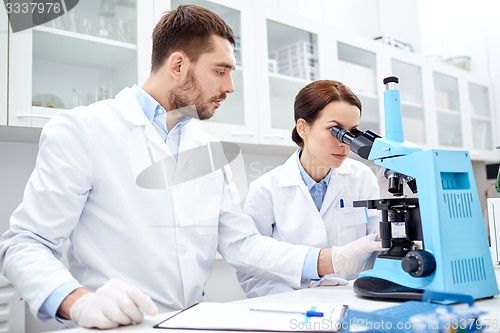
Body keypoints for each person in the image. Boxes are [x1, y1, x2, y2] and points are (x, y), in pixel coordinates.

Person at [0, 5, 381, 330]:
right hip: (117, 325)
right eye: (221, 70)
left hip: (193, 320)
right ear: (179, 64)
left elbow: (241, 244)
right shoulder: (84, 129)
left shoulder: (210, 148)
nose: (231, 86)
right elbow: (24, 244)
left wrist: (332, 259)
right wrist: (78, 301)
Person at [237, 80, 381, 298]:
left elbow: (378, 250)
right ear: (303, 127)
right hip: (291, 305)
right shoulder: (266, 189)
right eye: (336, 130)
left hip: (353, 299)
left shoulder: (362, 177)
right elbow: (251, 269)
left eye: (352, 132)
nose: (345, 143)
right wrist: (296, 301)